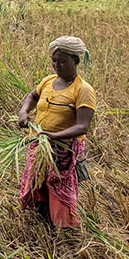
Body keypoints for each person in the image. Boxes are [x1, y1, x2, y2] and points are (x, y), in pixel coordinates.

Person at [17, 36, 98, 229]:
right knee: (37, 182)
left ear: (75, 61)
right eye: (54, 61)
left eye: (62, 61)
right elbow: (32, 95)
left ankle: (66, 230)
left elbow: (82, 126)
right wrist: (24, 111)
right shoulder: (48, 81)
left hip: (63, 148)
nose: (57, 65)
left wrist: (53, 136)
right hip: (40, 145)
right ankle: (42, 221)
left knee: (60, 188)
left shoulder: (83, 90)